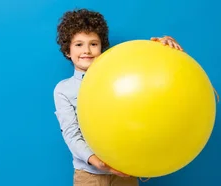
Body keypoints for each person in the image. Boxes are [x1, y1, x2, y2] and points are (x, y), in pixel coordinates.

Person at [52, 8, 184, 186]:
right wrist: (96, 162)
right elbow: (71, 134)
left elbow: (149, 74)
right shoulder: (63, 90)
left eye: (93, 44)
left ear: (102, 48)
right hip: (89, 175)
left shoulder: (119, 77)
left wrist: (164, 47)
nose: (87, 50)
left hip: (124, 171)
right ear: (68, 50)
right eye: (79, 44)